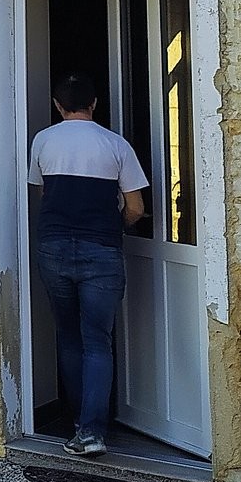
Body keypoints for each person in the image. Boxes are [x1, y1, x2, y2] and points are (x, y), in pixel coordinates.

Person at [28, 72, 148, 457]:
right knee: (98, 340)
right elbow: (136, 208)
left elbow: (45, 192)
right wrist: (115, 226)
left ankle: (77, 422)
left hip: (54, 247)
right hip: (101, 251)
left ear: (58, 106)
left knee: (68, 336)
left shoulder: (44, 140)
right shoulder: (116, 145)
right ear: (94, 104)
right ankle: (94, 431)